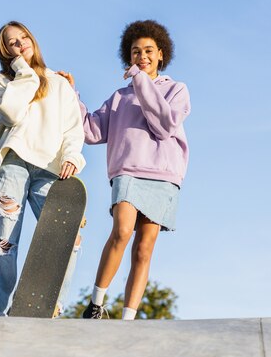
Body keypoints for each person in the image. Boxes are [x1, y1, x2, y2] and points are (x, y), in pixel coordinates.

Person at [73, 20, 191, 320]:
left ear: (161, 54)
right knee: (122, 231)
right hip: (128, 172)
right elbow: (92, 131)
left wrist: (141, 81)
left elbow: (164, 125)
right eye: (136, 52)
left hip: (163, 176)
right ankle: (97, 304)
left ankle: (128, 318)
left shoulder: (176, 90)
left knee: (144, 249)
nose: (142, 57)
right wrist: (71, 95)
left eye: (149, 51)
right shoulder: (119, 97)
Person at [0, 21, 86, 316]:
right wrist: (24, 72)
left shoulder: (59, 83)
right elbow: (13, 114)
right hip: (12, 163)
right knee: (3, 242)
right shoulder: (0, 81)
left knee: (68, 236)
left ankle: (51, 305)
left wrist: (72, 157)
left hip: (51, 166)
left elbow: (72, 128)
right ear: (6, 52)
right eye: (12, 42)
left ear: (33, 39)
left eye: (23, 37)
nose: (20, 44)